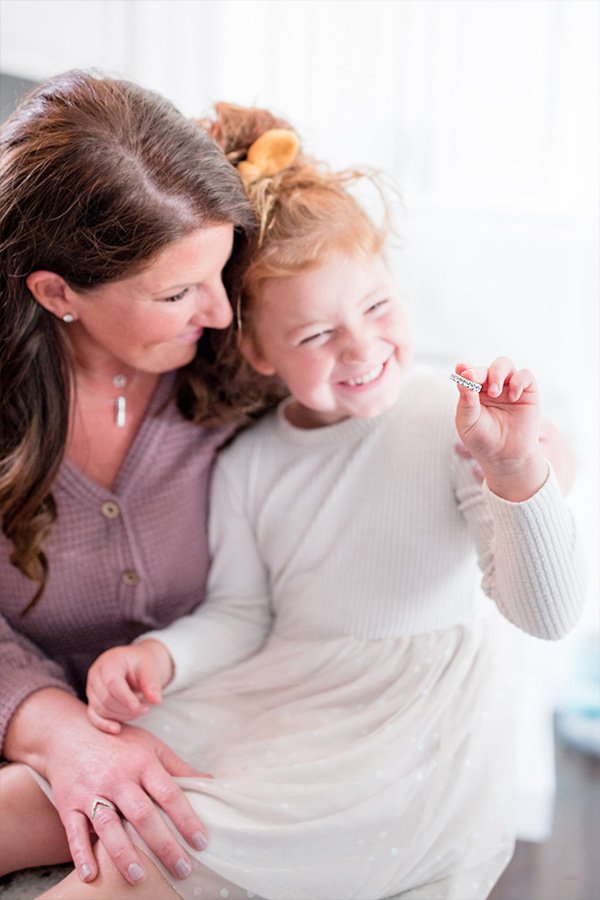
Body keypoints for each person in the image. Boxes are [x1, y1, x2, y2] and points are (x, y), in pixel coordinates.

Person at [1, 106, 584, 900]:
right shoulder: (252, 459)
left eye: (378, 307)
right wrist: (161, 657)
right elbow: (245, 613)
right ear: (257, 351)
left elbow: (547, 616)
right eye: (314, 337)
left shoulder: (444, 427)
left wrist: (521, 473)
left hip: (387, 738)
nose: (362, 349)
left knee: (148, 846)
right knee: (62, 790)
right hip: (273, 687)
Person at [0, 72, 285, 888]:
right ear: (57, 293)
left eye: (218, 273)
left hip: (212, 712)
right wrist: (59, 733)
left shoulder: (234, 358)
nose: (220, 313)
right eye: (174, 292)